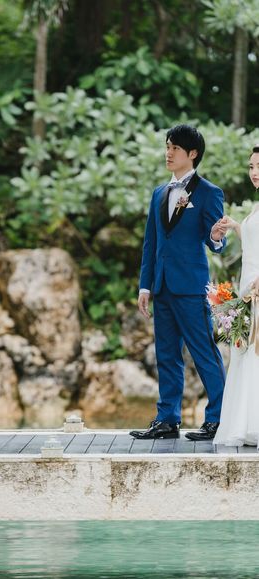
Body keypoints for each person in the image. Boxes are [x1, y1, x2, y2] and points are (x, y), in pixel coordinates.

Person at [130, 124, 228, 441]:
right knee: (166, 355)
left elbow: (215, 240)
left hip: (190, 287)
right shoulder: (159, 193)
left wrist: (216, 237)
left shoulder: (209, 192)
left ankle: (218, 419)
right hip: (161, 287)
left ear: (193, 153)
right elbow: (151, 243)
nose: (168, 153)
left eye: (175, 148)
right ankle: (167, 420)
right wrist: (145, 286)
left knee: (204, 353)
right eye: (167, 147)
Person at [212, 145, 259, 446]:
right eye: (251, 167)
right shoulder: (256, 207)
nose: (254, 172)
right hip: (247, 289)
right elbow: (254, 242)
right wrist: (236, 227)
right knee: (246, 352)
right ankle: (248, 423)